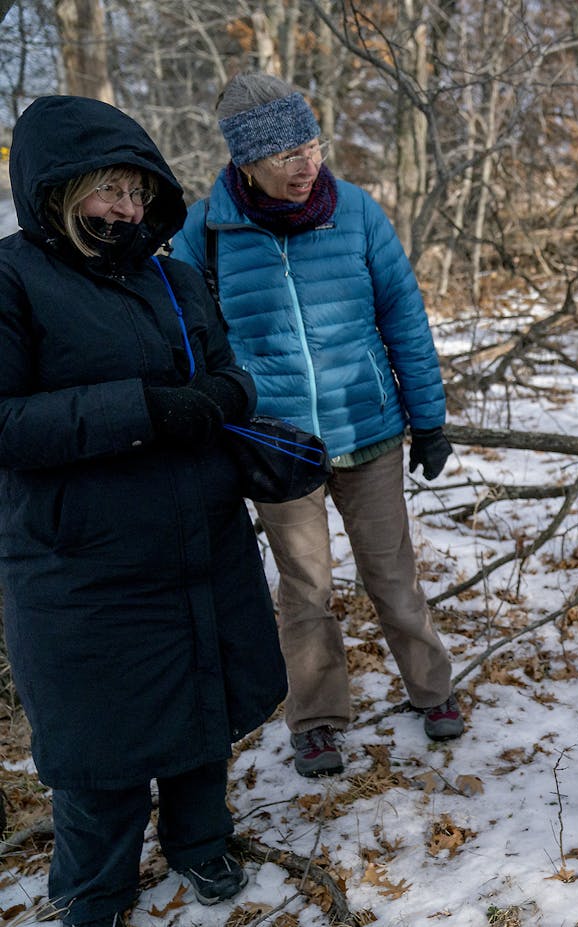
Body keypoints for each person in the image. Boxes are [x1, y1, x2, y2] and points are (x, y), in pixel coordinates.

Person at [0, 95, 287, 925]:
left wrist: (221, 395)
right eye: (106, 192)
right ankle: (94, 889)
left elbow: (231, 370)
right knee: (102, 750)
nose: (127, 209)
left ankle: (201, 841)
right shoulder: (14, 278)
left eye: (136, 191)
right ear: (55, 191)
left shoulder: (176, 274)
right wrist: (145, 410)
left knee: (204, 710)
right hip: (83, 564)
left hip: (201, 540)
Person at [170, 73, 464, 778]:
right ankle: (318, 718)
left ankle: (433, 689)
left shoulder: (357, 213)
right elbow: (186, 341)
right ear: (246, 163)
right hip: (277, 445)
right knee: (304, 588)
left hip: (368, 432)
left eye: (312, 145)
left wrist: (428, 420)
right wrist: (217, 427)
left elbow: (405, 319)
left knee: (393, 577)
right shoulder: (206, 232)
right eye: (285, 155)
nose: (306, 165)